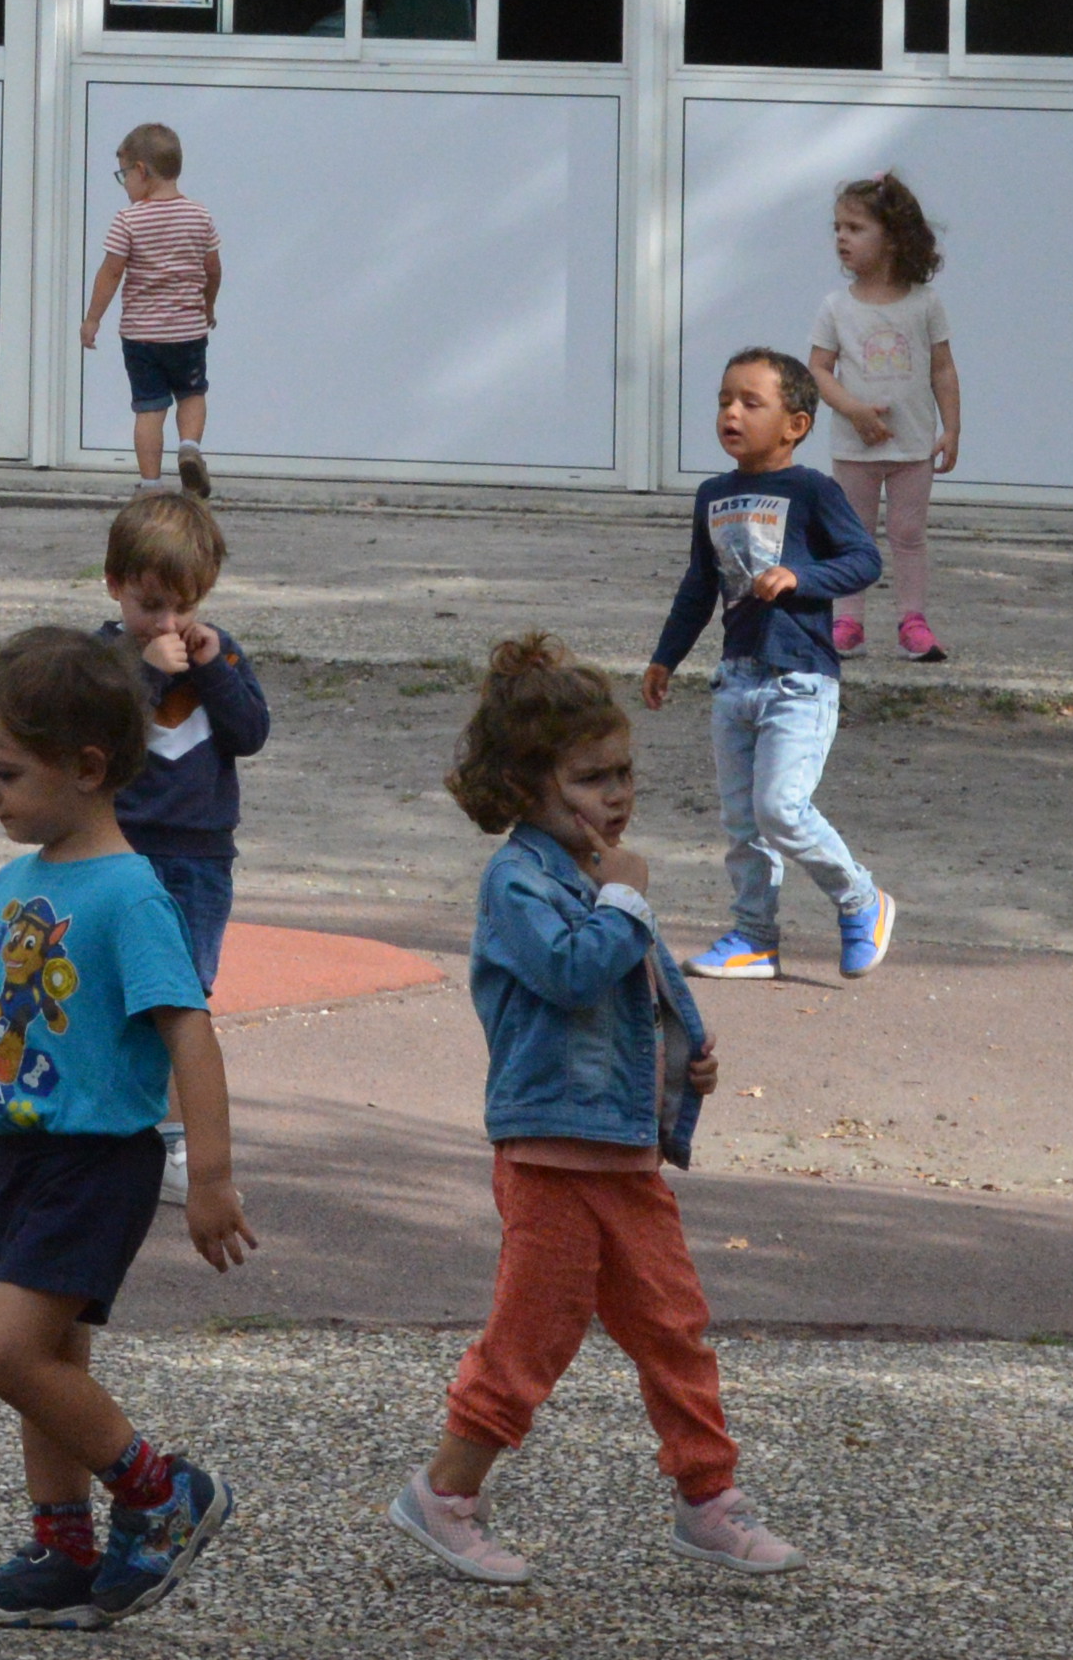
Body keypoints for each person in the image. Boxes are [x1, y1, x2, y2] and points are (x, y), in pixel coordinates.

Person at [0, 626, 249, 1629]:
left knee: (6, 1350)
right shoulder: (17, 882)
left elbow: (189, 1032)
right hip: (25, 1150)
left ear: (86, 767)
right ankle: (64, 1544)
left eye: (4, 770)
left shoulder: (127, 893)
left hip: (97, 1157)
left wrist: (209, 1177)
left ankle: (160, 1491)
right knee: (50, 1361)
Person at [388, 631, 798, 1585]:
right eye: (593, 777)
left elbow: (628, 1003)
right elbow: (572, 976)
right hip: (549, 1157)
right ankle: (443, 1493)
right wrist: (625, 904)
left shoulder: (592, 880)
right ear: (529, 786)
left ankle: (709, 1497)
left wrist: (676, 1068)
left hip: (619, 1150)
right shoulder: (521, 882)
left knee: (673, 1324)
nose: (618, 796)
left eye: (625, 775)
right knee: (533, 1335)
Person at [643, 349, 894, 987]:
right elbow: (699, 587)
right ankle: (754, 938)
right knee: (743, 824)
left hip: (800, 681)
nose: (731, 412)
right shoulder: (712, 495)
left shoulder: (813, 490)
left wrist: (801, 576)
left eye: (751, 403)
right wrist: (665, 657)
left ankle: (861, 900)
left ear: (795, 425)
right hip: (736, 681)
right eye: (725, 400)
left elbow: (865, 560)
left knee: (781, 808)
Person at [97, 486, 270, 1201]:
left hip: (199, 856)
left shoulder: (218, 654)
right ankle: (113, 1119)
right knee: (114, 989)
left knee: (182, 994)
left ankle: (175, 1139)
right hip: (122, 848)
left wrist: (210, 668)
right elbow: (99, 736)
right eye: (149, 606)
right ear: (115, 588)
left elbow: (251, 733)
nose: (166, 623)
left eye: (183, 606)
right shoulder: (105, 658)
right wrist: (146, 673)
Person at [807, 174, 961, 664]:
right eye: (837, 227)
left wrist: (951, 428)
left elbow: (942, 367)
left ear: (893, 237)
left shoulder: (924, 303)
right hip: (855, 449)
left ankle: (912, 621)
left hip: (912, 447)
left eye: (855, 227)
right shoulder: (836, 307)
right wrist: (852, 408)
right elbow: (817, 370)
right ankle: (847, 621)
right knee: (853, 533)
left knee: (908, 534)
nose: (841, 238)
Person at [75, 122, 224, 499]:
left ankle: (152, 486)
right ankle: (189, 448)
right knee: (191, 394)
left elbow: (111, 272)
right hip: (188, 332)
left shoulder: (129, 220)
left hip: (142, 337)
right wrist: (208, 306)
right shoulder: (199, 215)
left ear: (141, 171)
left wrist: (93, 319)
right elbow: (213, 269)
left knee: (149, 410)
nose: (124, 183)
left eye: (124, 174)